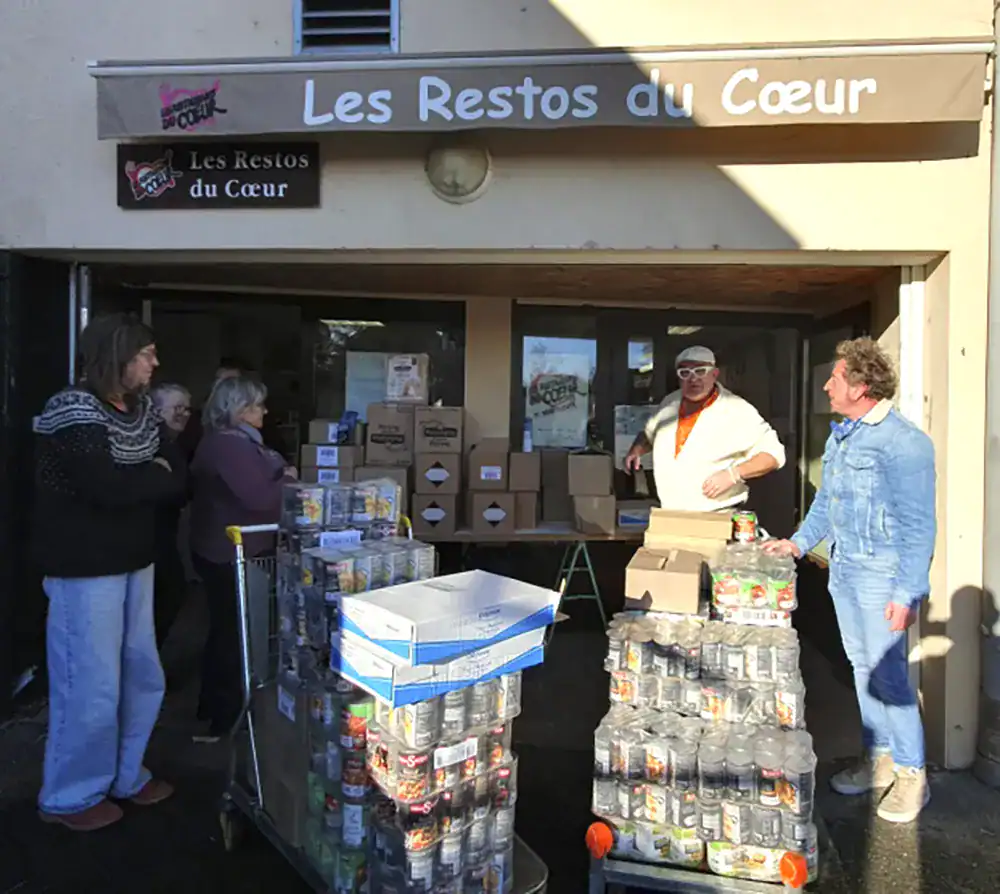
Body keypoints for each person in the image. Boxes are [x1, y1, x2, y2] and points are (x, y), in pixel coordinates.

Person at [765, 337, 935, 824]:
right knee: (862, 669)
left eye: (835, 378)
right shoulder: (843, 435)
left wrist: (907, 593)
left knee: (889, 676)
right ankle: (878, 759)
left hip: (883, 577)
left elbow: (919, 527)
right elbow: (827, 502)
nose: (826, 386)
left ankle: (912, 774)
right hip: (845, 571)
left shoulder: (904, 444)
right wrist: (799, 543)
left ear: (860, 387)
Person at [31, 313, 185, 831]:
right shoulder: (72, 409)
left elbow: (178, 473)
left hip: (135, 560)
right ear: (117, 356)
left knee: (141, 673)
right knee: (89, 682)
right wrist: (150, 474)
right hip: (84, 569)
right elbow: (106, 489)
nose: (154, 363)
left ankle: (124, 774)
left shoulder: (142, 411)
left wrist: (141, 477)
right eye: (146, 354)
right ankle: (70, 795)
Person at [189, 375, 294, 742]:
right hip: (230, 552)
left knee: (229, 630)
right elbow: (261, 498)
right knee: (235, 634)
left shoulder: (237, 443)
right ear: (239, 409)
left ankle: (217, 710)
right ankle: (226, 716)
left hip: (232, 549)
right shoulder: (228, 446)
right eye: (257, 405)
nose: (264, 411)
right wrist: (287, 478)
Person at [624, 346, 785, 512]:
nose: (693, 379)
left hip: (717, 514)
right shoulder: (670, 402)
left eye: (700, 371)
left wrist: (733, 474)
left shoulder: (737, 409)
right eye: (685, 373)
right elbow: (650, 433)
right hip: (670, 512)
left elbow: (773, 454)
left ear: (714, 374)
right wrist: (637, 449)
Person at [150, 383, 193, 652]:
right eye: (177, 408)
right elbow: (173, 490)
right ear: (156, 411)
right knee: (169, 593)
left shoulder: (172, 444)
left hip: (163, 532)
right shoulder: (153, 443)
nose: (184, 414)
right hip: (150, 535)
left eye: (187, 409)